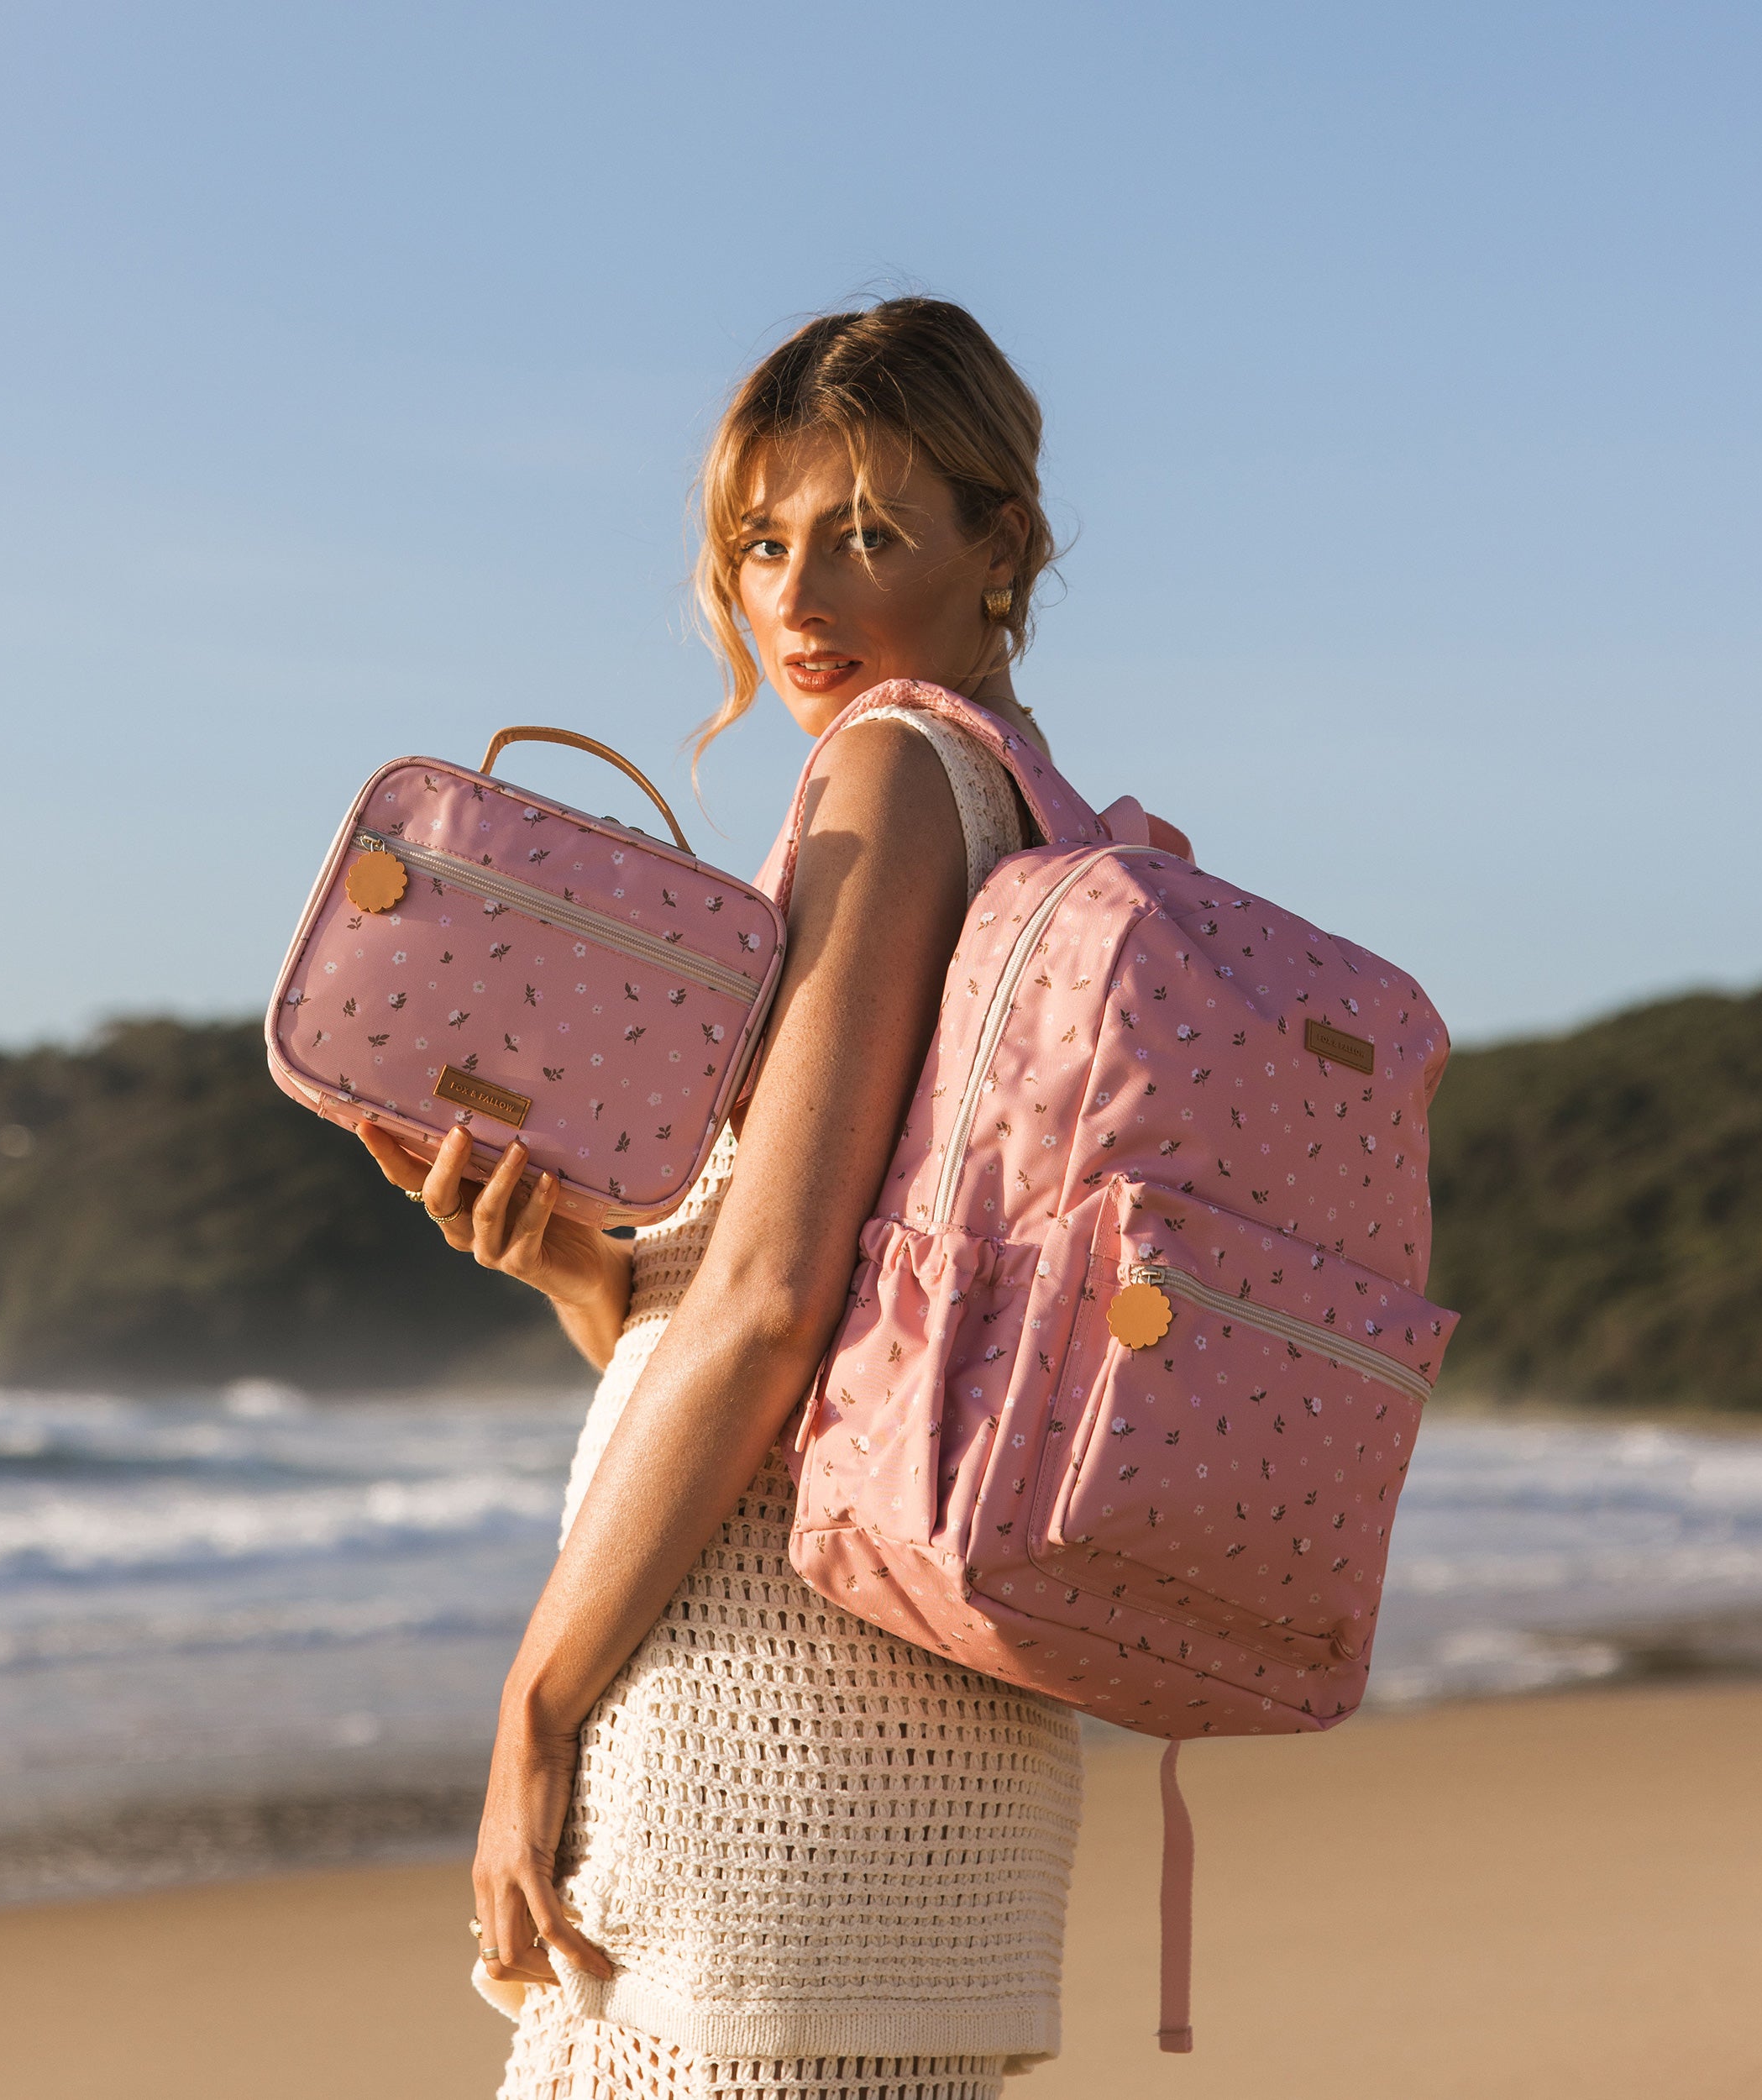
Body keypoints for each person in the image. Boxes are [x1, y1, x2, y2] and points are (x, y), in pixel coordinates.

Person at [360, 297, 1082, 2100]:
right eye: (763, 541)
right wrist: (588, 1278)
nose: (797, 597)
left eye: (867, 533)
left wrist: (533, 1706)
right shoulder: (1043, 816)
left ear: (997, 544)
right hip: (935, 1757)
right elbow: (830, 1327)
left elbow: (766, 1310)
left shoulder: (889, 773)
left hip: (764, 1730)